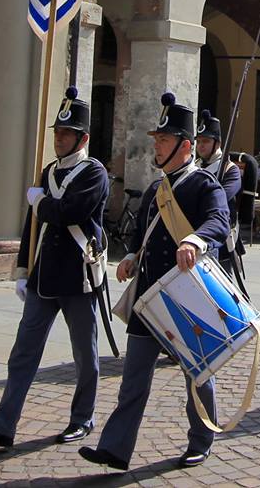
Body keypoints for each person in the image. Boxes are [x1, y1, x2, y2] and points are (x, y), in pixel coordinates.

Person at [80, 92, 229, 471]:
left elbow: (218, 223)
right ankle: (115, 448)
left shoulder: (204, 186)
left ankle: (202, 438)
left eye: (164, 140)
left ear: (185, 145)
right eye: (158, 140)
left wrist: (195, 239)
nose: (157, 145)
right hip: (150, 295)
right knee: (133, 379)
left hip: (184, 296)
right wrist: (130, 256)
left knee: (196, 373)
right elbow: (142, 233)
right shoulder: (156, 189)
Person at [0, 88, 109, 449]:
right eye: (57, 133)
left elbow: (69, 213)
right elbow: (34, 226)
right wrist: (24, 269)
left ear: (82, 138)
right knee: (23, 353)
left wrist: (41, 200)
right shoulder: (47, 171)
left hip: (78, 276)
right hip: (44, 277)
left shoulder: (94, 173)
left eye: (66, 133)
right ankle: (3, 426)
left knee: (84, 355)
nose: (59, 139)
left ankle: (82, 418)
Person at [194, 110, 244, 280]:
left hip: (220, 237)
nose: (201, 145)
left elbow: (221, 197)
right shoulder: (195, 167)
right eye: (199, 141)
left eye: (206, 141)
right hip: (195, 233)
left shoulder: (231, 170)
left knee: (224, 287)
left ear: (217, 143)